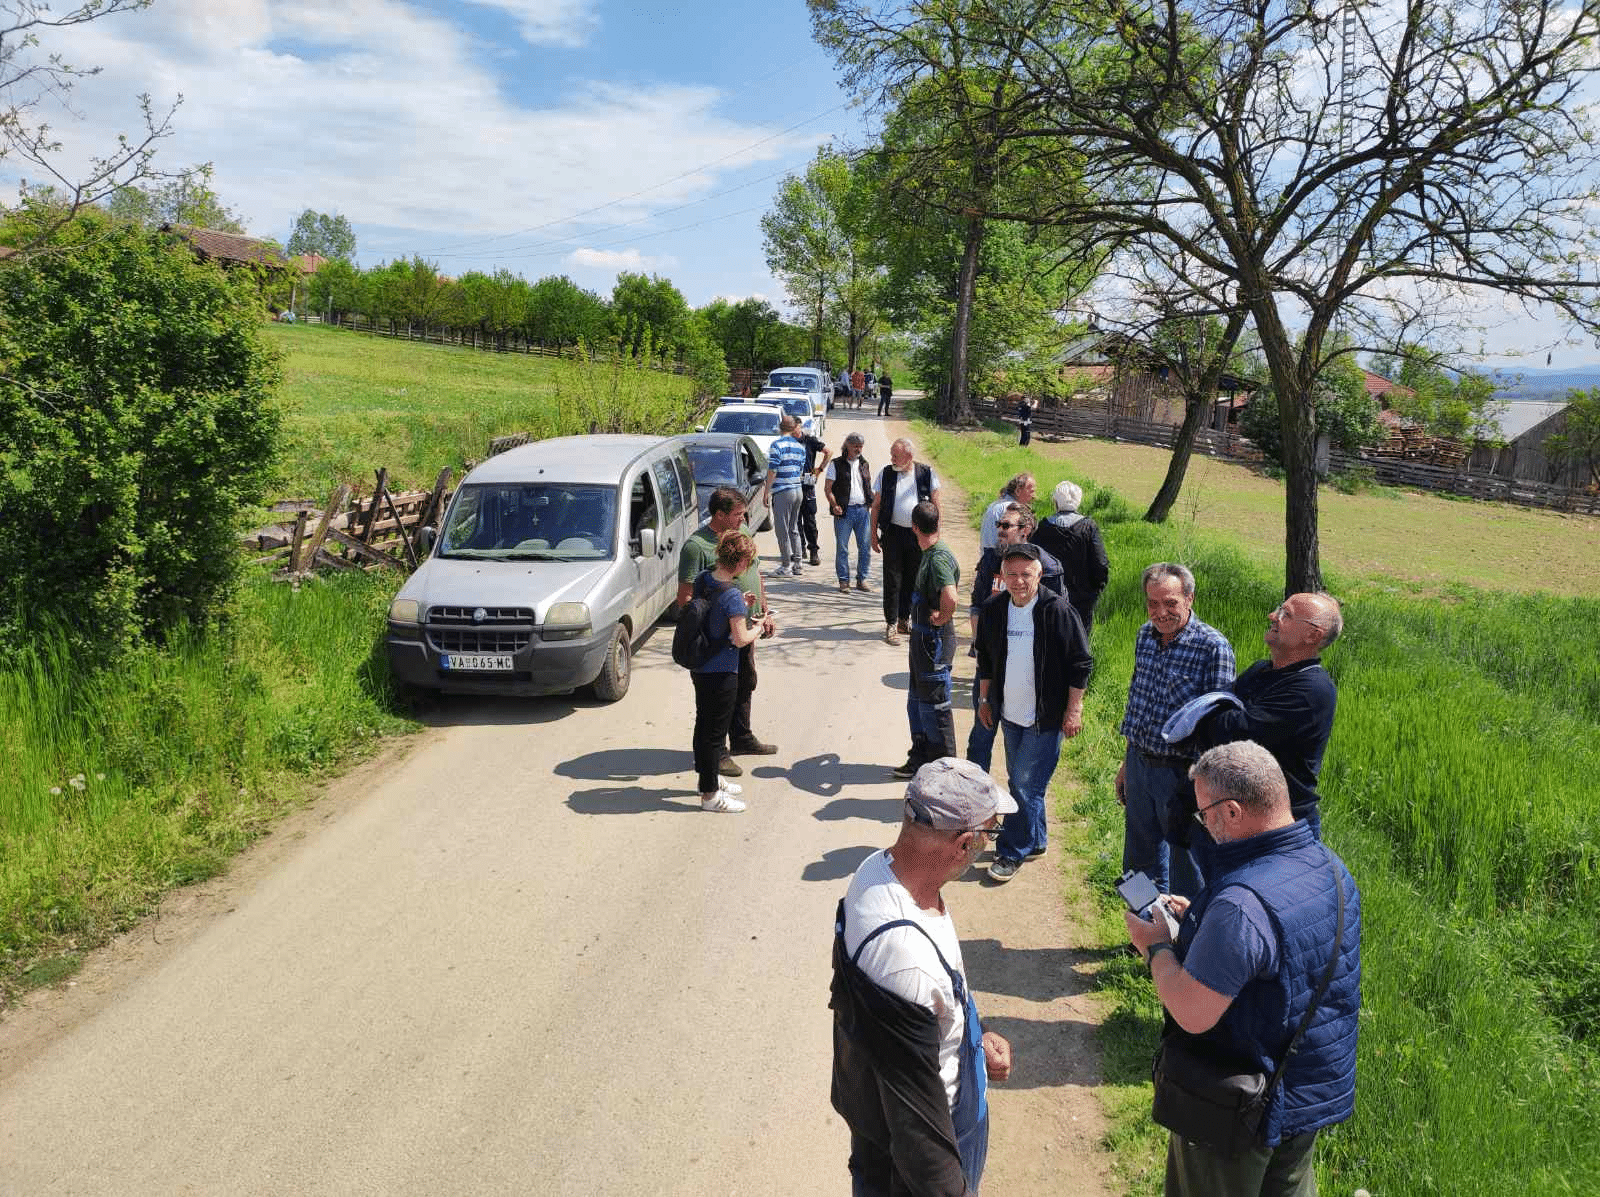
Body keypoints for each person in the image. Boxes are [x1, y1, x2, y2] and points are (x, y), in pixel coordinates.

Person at [1123, 741, 1360, 1197]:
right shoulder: (1330, 867)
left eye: (1205, 813)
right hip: (1306, 1093)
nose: (1203, 825)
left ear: (1232, 811)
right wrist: (1201, 925)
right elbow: (1285, 958)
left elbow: (1193, 1011)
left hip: (1237, 1106)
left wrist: (1155, 946)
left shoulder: (1241, 907)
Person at [831, 758, 1017, 1196]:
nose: (989, 845)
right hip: (935, 1138)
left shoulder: (877, 871)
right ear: (965, 843)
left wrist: (973, 1034)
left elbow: (934, 1001)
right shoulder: (906, 959)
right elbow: (915, 1125)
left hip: (878, 1114)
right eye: (990, 834)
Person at [975, 542, 1093, 883]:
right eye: (1011, 574)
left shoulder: (1057, 611)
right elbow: (985, 659)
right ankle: (1037, 839)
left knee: (1022, 785)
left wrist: (1075, 710)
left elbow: (1080, 663)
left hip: (1046, 717)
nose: (1019, 581)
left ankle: (1012, 850)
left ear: (1039, 574)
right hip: (1010, 714)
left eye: (1026, 574)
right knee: (1027, 783)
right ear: (1002, 576)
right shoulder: (994, 609)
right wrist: (985, 701)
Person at [1118, 563, 1236, 898]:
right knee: (1138, 856)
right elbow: (1137, 700)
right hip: (1140, 763)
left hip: (1183, 775)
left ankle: (1186, 942)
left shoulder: (1213, 647)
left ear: (1189, 598)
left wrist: (1205, 788)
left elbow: (1218, 728)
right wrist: (1127, 763)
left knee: (1187, 865)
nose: (1161, 612)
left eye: (1170, 603)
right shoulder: (1144, 635)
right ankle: (1144, 929)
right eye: (1153, 604)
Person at [1188, 593, 1342, 841]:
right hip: (1227, 814)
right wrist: (1215, 716)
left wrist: (1210, 716)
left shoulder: (1312, 690)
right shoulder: (1262, 669)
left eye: (1286, 614)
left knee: (1242, 882)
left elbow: (1231, 735)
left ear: (1313, 635)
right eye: (1278, 610)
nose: (1273, 616)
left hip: (1274, 830)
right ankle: (1132, 883)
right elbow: (1215, 716)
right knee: (1185, 873)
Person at [677, 486, 778, 778]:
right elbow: (685, 599)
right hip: (719, 639)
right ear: (719, 515)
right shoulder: (697, 547)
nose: (743, 518)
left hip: (746, 625)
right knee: (717, 697)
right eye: (737, 514)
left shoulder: (741, 533)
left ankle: (742, 737)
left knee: (745, 682)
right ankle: (718, 753)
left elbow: (756, 573)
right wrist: (718, 623)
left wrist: (764, 611)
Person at [965, 503, 1065, 771]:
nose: (999, 530)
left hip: (1026, 672)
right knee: (981, 737)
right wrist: (981, 647)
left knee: (1020, 753)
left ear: (1025, 531)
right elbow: (976, 606)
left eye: (1006, 526)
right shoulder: (990, 560)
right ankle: (974, 802)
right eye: (999, 525)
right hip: (992, 666)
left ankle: (1019, 803)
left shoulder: (1048, 568)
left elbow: (1059, 623)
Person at [687, 529, 767, 813]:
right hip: (722, 671)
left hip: (700, 665)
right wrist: (757, 626)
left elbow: (711, 614)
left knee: (703, 724)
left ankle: (708, 779)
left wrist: (737, 606)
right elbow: (741, 638)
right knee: (714, 734)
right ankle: (710, 796)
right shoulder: (731, 595)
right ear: (741, 561)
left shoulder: (704, 580)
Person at [894, 502, 960, 779]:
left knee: (935, 706)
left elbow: (951, 596)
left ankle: (944, 770)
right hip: (921, 642)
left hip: (933, 642)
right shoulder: (931, 552)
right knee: (917, 702)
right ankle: (921, 758)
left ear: (914, 527)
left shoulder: (937, 558)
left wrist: (943, 617)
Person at [870, 438, 941, 646]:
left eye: (895, 456)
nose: (891, 459)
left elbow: (936, 504)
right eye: (892, 455)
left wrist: (936, 533)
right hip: (892, 534)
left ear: (909, 456)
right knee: (893, 580)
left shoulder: (926, 473)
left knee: (913, 579)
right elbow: (876, 506)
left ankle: (904, 620)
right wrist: (873, 534)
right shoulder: (886, 473)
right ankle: (891, 624)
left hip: (918, 535)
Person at [1029, 480, 1110, 633]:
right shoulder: (1088, 527)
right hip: (1082, 596)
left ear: (1055, 501)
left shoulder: (1044, 526)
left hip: (1048, 593)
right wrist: (1098, 587)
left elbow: (1032, 558)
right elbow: (1100, 562)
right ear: (1078, 501)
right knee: (1079, 641)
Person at [825, 432, 874, 593]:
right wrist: (834, 505)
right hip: (844, 513)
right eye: (855, 446)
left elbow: (867, 486)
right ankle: (844, 581)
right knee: (842, 547)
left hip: (863, 511)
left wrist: (871, 503)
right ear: (847, 445)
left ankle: (862, 579)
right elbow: (828, 489)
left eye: (860, 446)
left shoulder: (864, 463)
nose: (858, 449)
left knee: (865, 546)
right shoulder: (836, 464)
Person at [764, 415, 809, 578]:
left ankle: (785, 566)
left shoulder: (776, 445)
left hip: (783, 490)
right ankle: (798, 564)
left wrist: (767, 491)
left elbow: (772, 470)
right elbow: (800, 469)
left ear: (780, 427)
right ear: (792, 428)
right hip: (798, 490)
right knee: (793, 528)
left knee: (782, 530)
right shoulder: (800, 446)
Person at [797, 424, 834, 569]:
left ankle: (813, 550)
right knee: (795, 519)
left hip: (807, 481)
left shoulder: (809, 440)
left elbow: (829, 452)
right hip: (793, 482)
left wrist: (819, 469)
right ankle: (799, 548)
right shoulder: (787, 441)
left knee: (809, 518)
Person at [979, 473, 1036, 551]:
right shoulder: (1012, 510)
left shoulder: (995, 504)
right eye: (1031, 491)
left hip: (987, 555)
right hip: (1000, 556)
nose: (1034, 496)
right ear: (1018, 491)